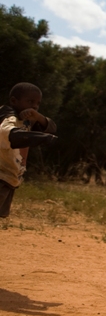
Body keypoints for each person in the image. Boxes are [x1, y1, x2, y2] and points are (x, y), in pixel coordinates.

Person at [0, 83, 58, 219]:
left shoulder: (27, 120)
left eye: (38, 103)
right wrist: (42, 138)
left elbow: (51, 127)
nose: (35, 106)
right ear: (14, 101)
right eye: (30, 102)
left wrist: (38, 117)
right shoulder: (8, 116)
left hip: (9, 176)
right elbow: (9, 134)